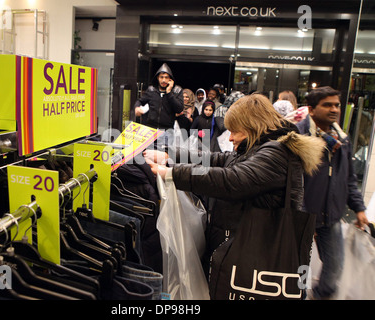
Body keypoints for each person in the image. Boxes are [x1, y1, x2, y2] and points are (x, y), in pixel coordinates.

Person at [145, 93, 325, 276]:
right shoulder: (257, 148)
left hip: (256, 259)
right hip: (245, 251)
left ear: (252, 126)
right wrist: (169, 155)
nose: (230, 138)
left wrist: (171, 173)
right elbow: (214, 159)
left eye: (235, 130)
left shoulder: (276, 154)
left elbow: (232, 180)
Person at [296, 86, 369, 300]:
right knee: (299, 268)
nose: (334, 109)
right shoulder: (299, 137)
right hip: (303, 217)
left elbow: (348, 178)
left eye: (336, 105)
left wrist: (359, 208)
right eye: (327, 105)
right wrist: (302, 216)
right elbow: (292, 182)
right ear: (311, 109)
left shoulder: (341, 139)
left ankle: (318, 296)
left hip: (331, 216)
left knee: (335, 267)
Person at [134, 63, 183, 147]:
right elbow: (140, 101)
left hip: (167, 131)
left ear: (170, 79)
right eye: (161, 77)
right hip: (150, 130)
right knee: (148, 155)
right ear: (157, 78)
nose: (163, 80)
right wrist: (137, 108)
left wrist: (169, 93)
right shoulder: (152, 90)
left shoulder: (177, 91)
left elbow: (179, 108)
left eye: (166, 77)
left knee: (163, 157)